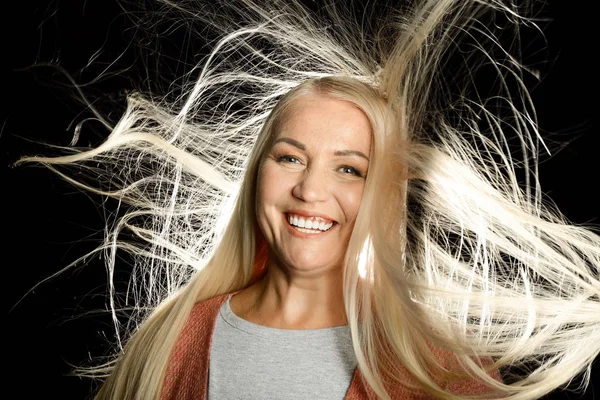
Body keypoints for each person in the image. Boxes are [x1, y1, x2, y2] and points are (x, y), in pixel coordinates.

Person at [16, 0, 600, 399]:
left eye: (348, 169)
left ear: (381, 196)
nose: (310, 190)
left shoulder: (443, 370)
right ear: (257, 174)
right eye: (289, 157)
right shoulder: (168, 343)